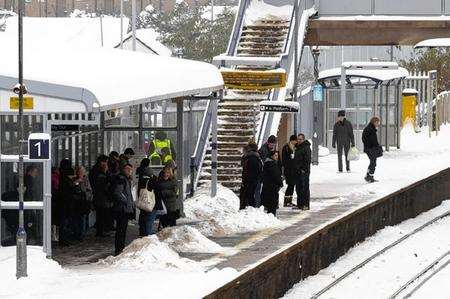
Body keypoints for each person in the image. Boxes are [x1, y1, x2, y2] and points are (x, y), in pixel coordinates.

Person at [111, 163, 135, 255]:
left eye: (130, 169)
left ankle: (120, 247)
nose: (129, 171)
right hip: (121, 209)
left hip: (123, 208)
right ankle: (119, 249)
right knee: (121, 230)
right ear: (123, 169)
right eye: (127, 169)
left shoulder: (125, 179)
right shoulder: (121, 179)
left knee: (122, 229)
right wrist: (126, 201)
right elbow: (118, 193)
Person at [137, 158, 161, 236]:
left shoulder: (141, 180)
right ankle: (147, 235)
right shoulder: (151, 181)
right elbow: (158, 190)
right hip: (150, 203)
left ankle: (142, 233)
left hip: (143, 202)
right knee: (149, 220)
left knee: (143, 218)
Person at [89, 155, 111, 237]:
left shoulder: (97, 170)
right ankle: (100, 231)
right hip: (100, 195)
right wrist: (105, 172)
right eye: (105, 162)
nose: (106, 164)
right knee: (101, 213)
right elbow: (102, 182)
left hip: (100, 195)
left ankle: (101, 230)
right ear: (101, 162)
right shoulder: (97, 171)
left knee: (101, 213)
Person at [70, 166, 93, 241]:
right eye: (79, 172)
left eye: (82, 172)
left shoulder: (86, 179)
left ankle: (81, 235)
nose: (80, 173)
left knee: (83, 218)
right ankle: (76, 233)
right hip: (76, 202)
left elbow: (89, 190)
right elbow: (72, 187)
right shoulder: (74, 179)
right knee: (76, 219)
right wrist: (77, 182)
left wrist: (86, 196)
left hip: (83, 202)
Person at [240, 141, 263, 209]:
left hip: (250, 181)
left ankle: (250, 210)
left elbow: (248, 171)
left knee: (248, 196)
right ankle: (250, 209)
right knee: (250, 196)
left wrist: (245, 180)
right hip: (252, 180)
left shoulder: (251, 158)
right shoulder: (255, 157)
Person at [58, 158, 74, 246]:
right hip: (67, 200)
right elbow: (70, 185)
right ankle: (65, 239)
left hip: (62, 200)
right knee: (66, 221)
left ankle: (63, 239)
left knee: (63, 221)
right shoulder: (68, 173)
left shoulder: (60, 174)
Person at [261, 151, 283, 216]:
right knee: (272, 203)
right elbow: (275, 175)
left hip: (270, 186)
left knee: (271, 203)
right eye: (275, 155)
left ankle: (271, 215)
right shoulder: (271, 164)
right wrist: (280, 183)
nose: (277, 157)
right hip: (272, 186)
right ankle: (272, 216)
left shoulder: (269, 163)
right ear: (271, 156)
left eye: (277, 155)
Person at [362, 116, 382, 183]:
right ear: (374, 122)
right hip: (370, 148)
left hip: (369, 148)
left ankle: (368, 176)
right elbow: (372, 140)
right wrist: (375, 146)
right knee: (373, 163)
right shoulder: (370, 129)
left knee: (372, 162)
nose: (378, 124)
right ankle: (370, 177)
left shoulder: (370, 128)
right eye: (377, 122)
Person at [294, 134, 311, 210]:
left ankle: (306, 204)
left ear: (303, 139)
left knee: (305, 188)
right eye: (298, 139)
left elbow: (307, 160)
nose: (299, 140)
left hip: (304, 172)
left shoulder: (306, 148)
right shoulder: (297, 147)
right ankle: (300, 204)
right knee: (298, 188)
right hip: (297, 171)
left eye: (300, 139)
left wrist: (303, 169)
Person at [281, 135, 298, 207]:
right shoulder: (286, 148)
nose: (296, 142)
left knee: (292, 185)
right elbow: (284, 160)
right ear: (292, 140)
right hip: (288, 170)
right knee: (290, 185)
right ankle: (286, 201)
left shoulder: (296, 147)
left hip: (294, 170)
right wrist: (291, 159)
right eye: (295, 140)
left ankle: (289, 201)